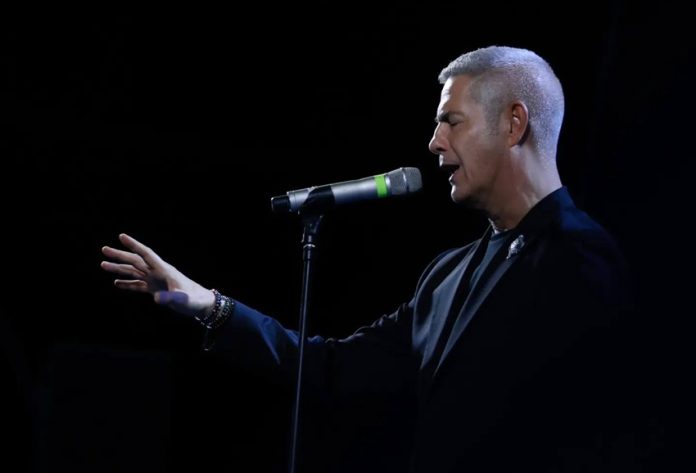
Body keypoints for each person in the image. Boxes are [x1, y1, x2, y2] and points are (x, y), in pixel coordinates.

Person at [101, 45, 635, 472]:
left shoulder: (582, 259)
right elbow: (334, 368)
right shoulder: (446, 276)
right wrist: (209, 306)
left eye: (452, 121)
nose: (434, 142)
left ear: (514, 123)